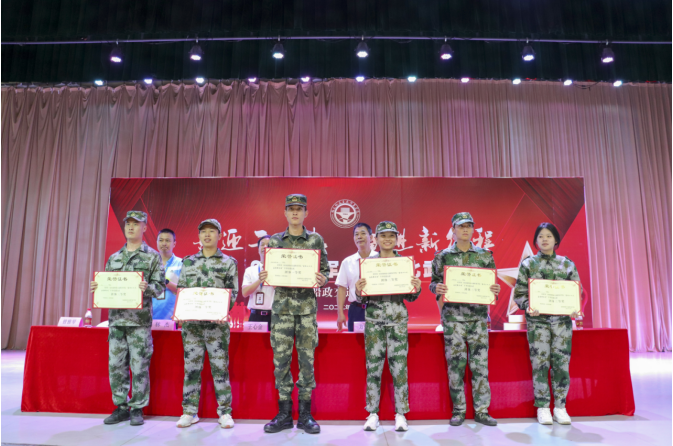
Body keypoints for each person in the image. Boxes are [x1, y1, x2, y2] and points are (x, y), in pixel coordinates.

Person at [89, 210, 165, 426]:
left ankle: (138, 408)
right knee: (116, 366)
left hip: (139, 322)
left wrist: (146, 287)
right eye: (128, 223)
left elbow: (160, 288)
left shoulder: (152, 256)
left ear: (144, 228)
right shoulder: (114, 257)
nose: (131, 227)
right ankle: (121, 407)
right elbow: (108, 287)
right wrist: (98, 287)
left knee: (139, 366)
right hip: (117, 322)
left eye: (136, 223)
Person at [263, 194, 329, 435]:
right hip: (281, 310)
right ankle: (283, 414)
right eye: (290, 208)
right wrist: (265, 275)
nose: (294, 213)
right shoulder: (275, 241)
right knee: (281, 362)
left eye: (299, 209)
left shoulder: (315, 240)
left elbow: (325, 271)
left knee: (306, 362)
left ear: (306, 213)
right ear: (285, 212)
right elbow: (270, 270)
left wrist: (322, 279)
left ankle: (304, 415)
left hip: (306, 311)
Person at [429, 212, 500, 427]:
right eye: (461, 226)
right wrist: (437, 287)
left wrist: (494, 290)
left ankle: (482, 411)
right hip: (453, 319)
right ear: (453, 230)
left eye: (469, 226)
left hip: (478, 318)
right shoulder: (443, 256)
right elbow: (433, 282)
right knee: (456, 366)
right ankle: (459, 410)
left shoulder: (485, 255)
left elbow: (491, 285)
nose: (465, 229)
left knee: (480, 366)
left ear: (473, 229)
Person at [354, 221, 422, 432]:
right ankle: (372, 413)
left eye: (391, 236)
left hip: (397, 322)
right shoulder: (369, 264)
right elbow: (362, 298)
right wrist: (358, 290)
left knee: (399, 368)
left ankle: (401, 414)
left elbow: (411, 297)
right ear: (376, 239)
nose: (387, 239)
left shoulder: (404, 264)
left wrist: (416, 287)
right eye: (383, 236)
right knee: (373, 368)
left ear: (397, 239)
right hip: (374, 322)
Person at [514, 222, 583, 426]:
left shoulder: (567, 264)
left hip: (561, 323)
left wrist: (574, 307)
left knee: (561, 364)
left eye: (549, 236)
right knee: (540, 364)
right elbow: (519, 294)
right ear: (536, 240)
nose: (544, 239)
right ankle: (543, 407)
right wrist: (528, 306)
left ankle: (560, 407)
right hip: (538, 323)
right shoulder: (528, 264)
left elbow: (576, 292)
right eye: (541, 236)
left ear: (556, 240)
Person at [174, 219, 239, 429]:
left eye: (212, 231)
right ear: (199, 236)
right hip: (192, 326)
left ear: (219, 235)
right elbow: (182, 289)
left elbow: (233, 293)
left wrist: (221, 310)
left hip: (216, 327)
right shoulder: (188, 262)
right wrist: (181, 311)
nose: (207, 235)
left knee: (220, 369)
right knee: (191, 368)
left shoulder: (228, 262)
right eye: (203, 232)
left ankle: (225, 412)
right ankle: (189, 412)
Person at [335, 223, 376, 332]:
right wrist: (340, 313)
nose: (359, 237)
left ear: (371, 237)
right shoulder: (347, 262)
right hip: (356, 310)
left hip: (378, 309)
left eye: (363, 233)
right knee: (356, 342)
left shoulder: (380, 259)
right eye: (356, 234)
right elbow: (342, 288)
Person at [241, 235, 274, 330]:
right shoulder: (250, 270)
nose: (265, 247)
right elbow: (245, 293)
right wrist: (259, 280)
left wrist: (274, 280)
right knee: (253, 340)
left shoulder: (280, 270)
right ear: (258, 249)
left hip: (275, 316)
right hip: (255, 316)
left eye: (269, 245)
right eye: (262, 244)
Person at [153, 228, 183, 320]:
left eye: (167, 240)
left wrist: (166, 282)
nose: (164, 243)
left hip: (171, 318)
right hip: (149, 317)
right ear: (156, 242)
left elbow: (185, 291)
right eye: (161, 240)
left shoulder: (181, 264)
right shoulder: (149, 264)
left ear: (174, 243)